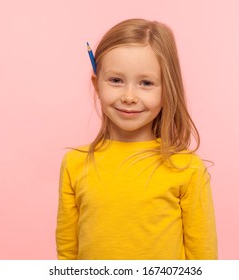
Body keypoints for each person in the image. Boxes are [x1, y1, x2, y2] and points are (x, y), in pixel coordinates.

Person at [56, 18, 217, 260]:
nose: (129, 96)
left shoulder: (187, 168)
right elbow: (67, 254)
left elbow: (203, 258)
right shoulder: (74, 164)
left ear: (167, 90)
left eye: (146, 83)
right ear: (96, 84)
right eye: (116, 80)